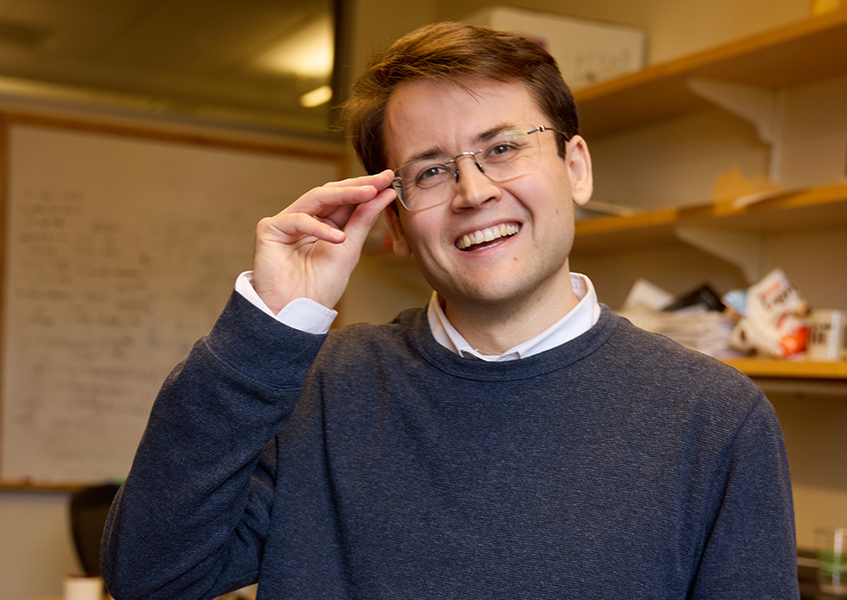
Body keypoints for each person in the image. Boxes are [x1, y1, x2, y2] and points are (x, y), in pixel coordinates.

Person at [101, 21, 798, 600]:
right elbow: (150, 578)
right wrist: (268, 327)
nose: (473, 191)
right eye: (430, 170)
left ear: (576, 167)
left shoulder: (716, 418)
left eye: (502, 148)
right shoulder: (314, 389)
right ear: (396, 225)